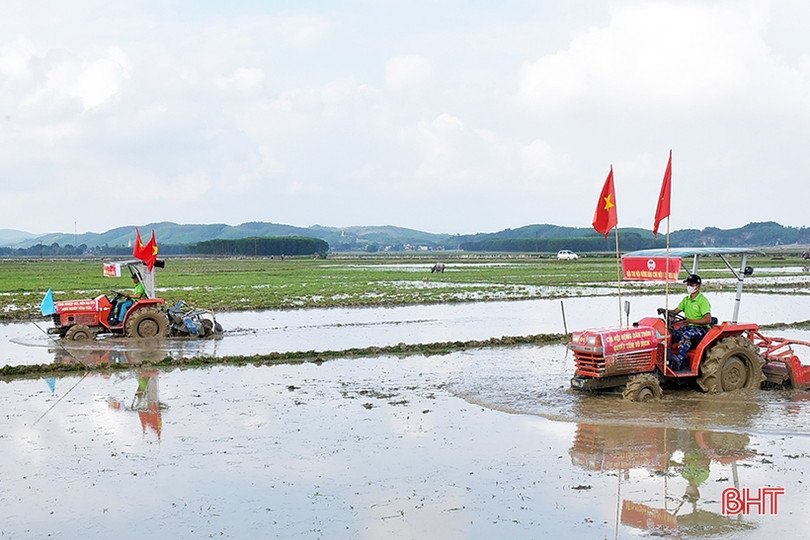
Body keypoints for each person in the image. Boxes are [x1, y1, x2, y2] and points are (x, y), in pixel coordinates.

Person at [659, 274, 712, 371]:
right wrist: (664, 311)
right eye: (688, 284)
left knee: (686, 335)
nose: (689, 286)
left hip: (701, 328)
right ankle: (667, 357)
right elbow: (675, 312)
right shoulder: (686, 300)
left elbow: (708, 320)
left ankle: (679, 361)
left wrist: (691, 321)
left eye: (691, 284)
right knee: (671, 333)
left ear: (698, 286)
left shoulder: (702, 301)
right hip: (689, 326)